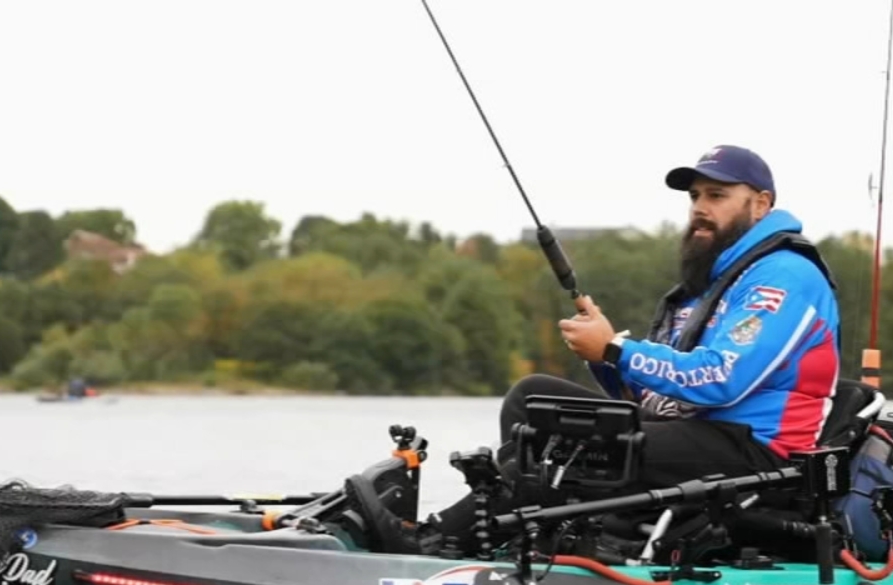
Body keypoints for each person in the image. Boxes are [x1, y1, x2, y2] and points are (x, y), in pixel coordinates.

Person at [340, 144, 843, 555]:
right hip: (700, 428)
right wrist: (602, 355)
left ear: (761, 202)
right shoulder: (718, 280)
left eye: (717, 195)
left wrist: (618, 349)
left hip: (760, 454)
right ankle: (530, 525)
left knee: (571, 445)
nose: (699, 209)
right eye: (694, 196)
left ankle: (436, 539)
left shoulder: (783, 275)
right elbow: (657, 396)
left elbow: (718, 379)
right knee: (533, 400)